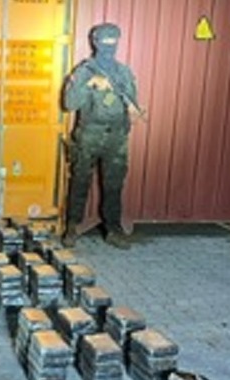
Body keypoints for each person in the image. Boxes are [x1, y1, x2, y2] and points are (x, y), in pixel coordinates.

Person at [61, 23, 144, 249]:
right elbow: (69, 104)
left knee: (114, 185)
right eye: (105, 42)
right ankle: (72, 227)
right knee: (80, 182)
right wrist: (90, 84)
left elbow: (133, 105)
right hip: (89, 135)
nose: (109, 47)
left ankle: (113, 230)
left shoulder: (123, 72)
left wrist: (132, 111)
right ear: (95, 42)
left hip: (116, 138)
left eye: (113, 42)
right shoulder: (84, 71)